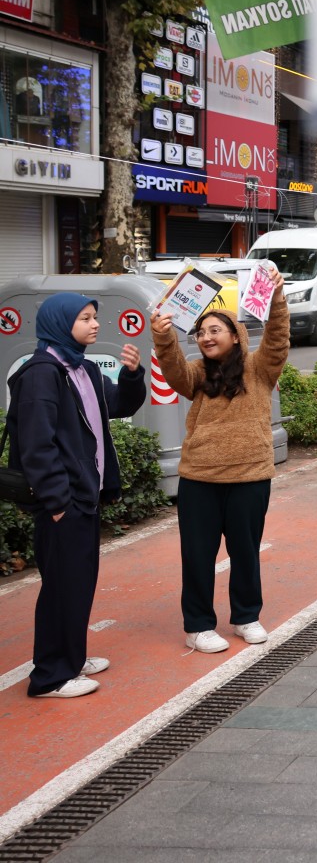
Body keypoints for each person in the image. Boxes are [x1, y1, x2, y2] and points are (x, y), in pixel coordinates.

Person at [6, 294, 145, 697]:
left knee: (76, 583)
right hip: (64, 502)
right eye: (85, 318)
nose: (95, 324)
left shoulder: (79, 368)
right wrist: (56, 502)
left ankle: (71, 656)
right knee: (61, 588)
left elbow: (118, 404)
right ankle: (51, 676)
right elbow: (37, 445)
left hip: (85, 496)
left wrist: (132, 375)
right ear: (59, 322)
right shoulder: (42, 374)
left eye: (95, 317)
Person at [153, 268, 290, 655]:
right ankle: (197, 625)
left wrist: (277, 299)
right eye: (201, 332)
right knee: (197, 554)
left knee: (246, 551)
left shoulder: (260, 368)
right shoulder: (197, 373)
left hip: (250, 475)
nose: (206, 337)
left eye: (215, 330)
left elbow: (278, 340)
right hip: (199, 478)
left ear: (235, 335)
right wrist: (164, 336)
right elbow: (174, 371)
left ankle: (246, 616)